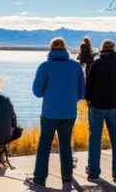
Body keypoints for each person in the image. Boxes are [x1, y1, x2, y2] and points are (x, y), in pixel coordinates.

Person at [30, 37, 85, 186]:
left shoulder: (45, 66)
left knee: (44, 144)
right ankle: (66, 175)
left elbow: (37, 92)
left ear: (51, 49)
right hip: (69, 113)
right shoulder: (75, 66)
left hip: (50, 112)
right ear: (64, 48)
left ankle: (39, 178)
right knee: (65, 144)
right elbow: (82, 92)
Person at [84, 39, 116, 183]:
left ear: (102, 49)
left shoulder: (97, 64)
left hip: (97, 106)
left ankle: (93, 172)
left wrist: (89, 100)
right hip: (115, 105)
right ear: (114, 49)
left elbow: (88, 84)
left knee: (95, 138)